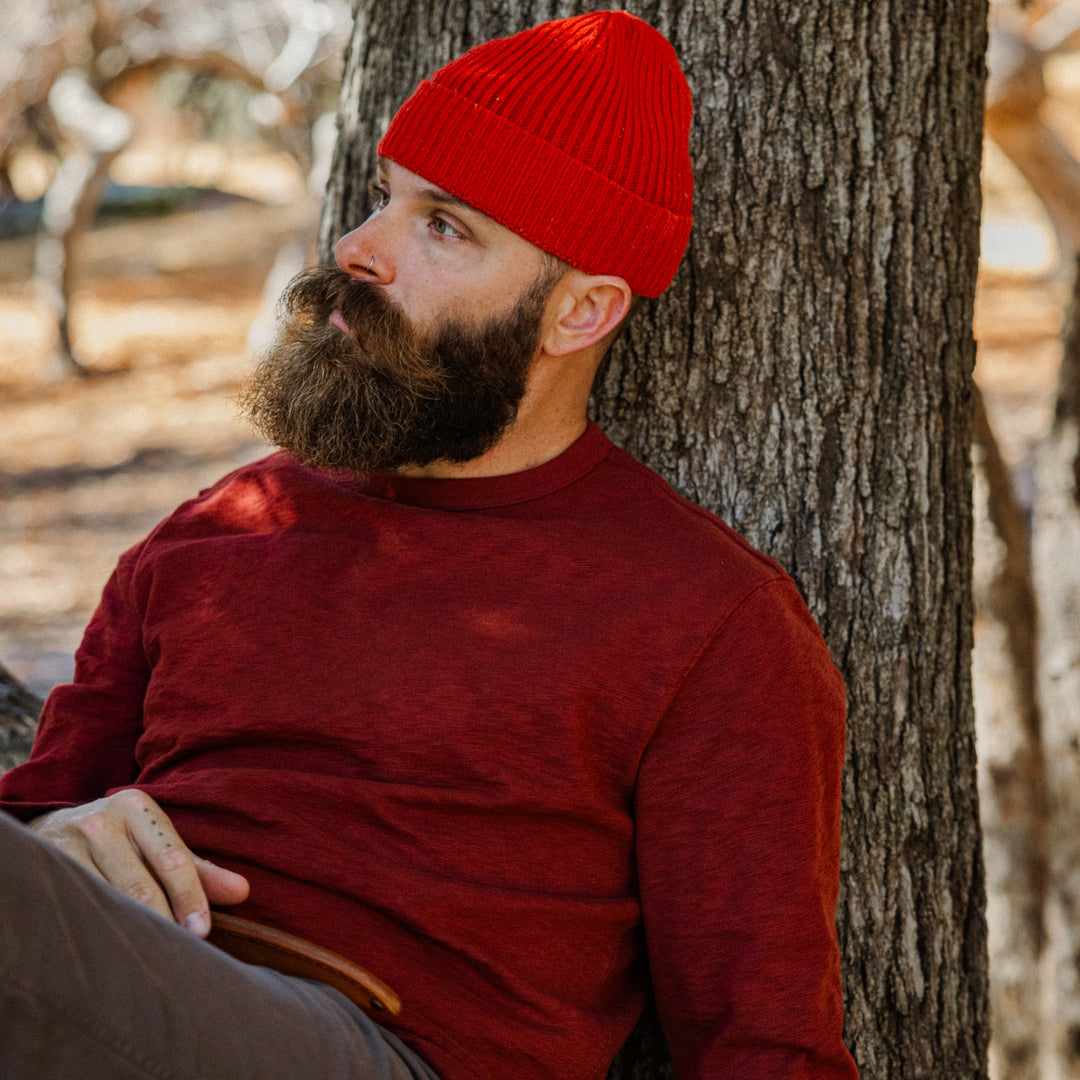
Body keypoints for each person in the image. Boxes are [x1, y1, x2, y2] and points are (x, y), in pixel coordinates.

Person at [0, 11, 858, 1080]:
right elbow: (36, 821)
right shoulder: (218, 530)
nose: (359, 249)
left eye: (445, 227)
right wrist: (66, 835)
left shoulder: (708, 620)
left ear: (580, 312)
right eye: (387, 197)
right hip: (113, 987)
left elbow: (761, 1049)